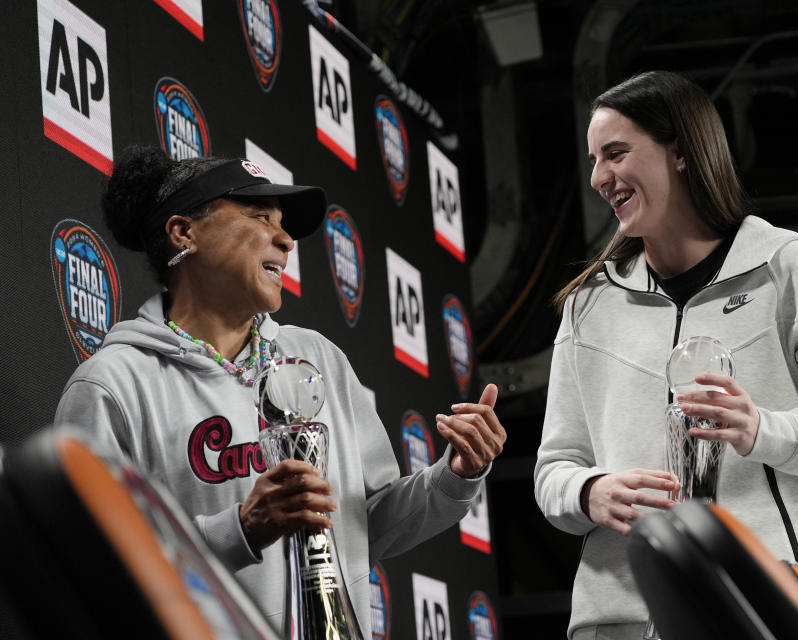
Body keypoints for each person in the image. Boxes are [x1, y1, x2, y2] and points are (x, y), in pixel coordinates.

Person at [55, 145, 507, 638]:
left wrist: (456, 476)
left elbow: (368, 524)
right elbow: (90, 573)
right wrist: (242, 528)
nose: (286, 239)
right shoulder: (113, 384)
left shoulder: (317, 356)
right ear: (184, 232)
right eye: (259, 216)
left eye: (285, 224)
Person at [534, 70, 798, 639]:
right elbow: (553, 470)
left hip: (767, 609)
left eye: (615, 153)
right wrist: (590, 491)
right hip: (620, 620)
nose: (599, 177)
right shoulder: (588, 307)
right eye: (593, 160)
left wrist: (763, 430)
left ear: (680, 152)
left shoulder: (789, 268)